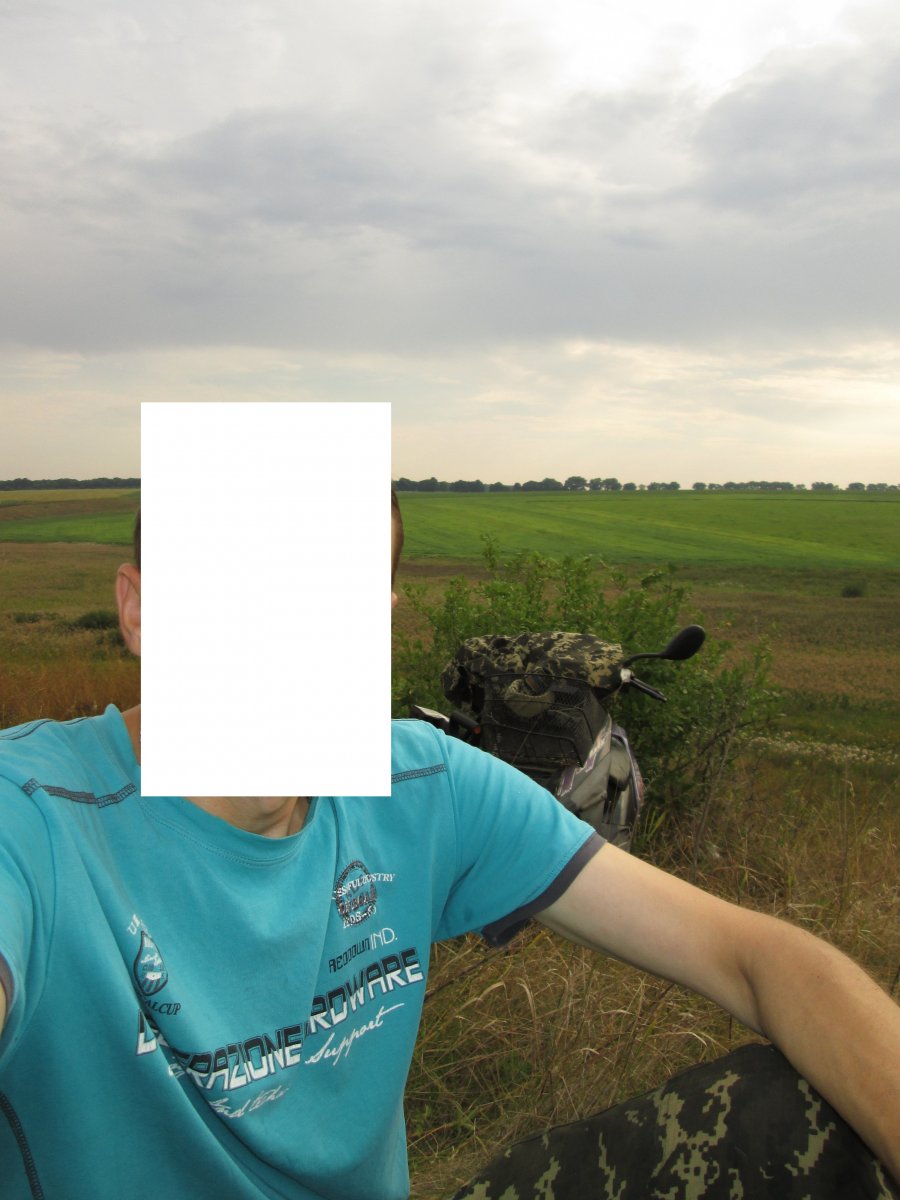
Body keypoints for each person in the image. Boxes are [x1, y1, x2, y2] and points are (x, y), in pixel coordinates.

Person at [0, 496, 897, 1200]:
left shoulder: (420, 783)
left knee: (799, 1118)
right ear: (141, 611)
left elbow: (749, 957)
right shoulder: (33, 815)